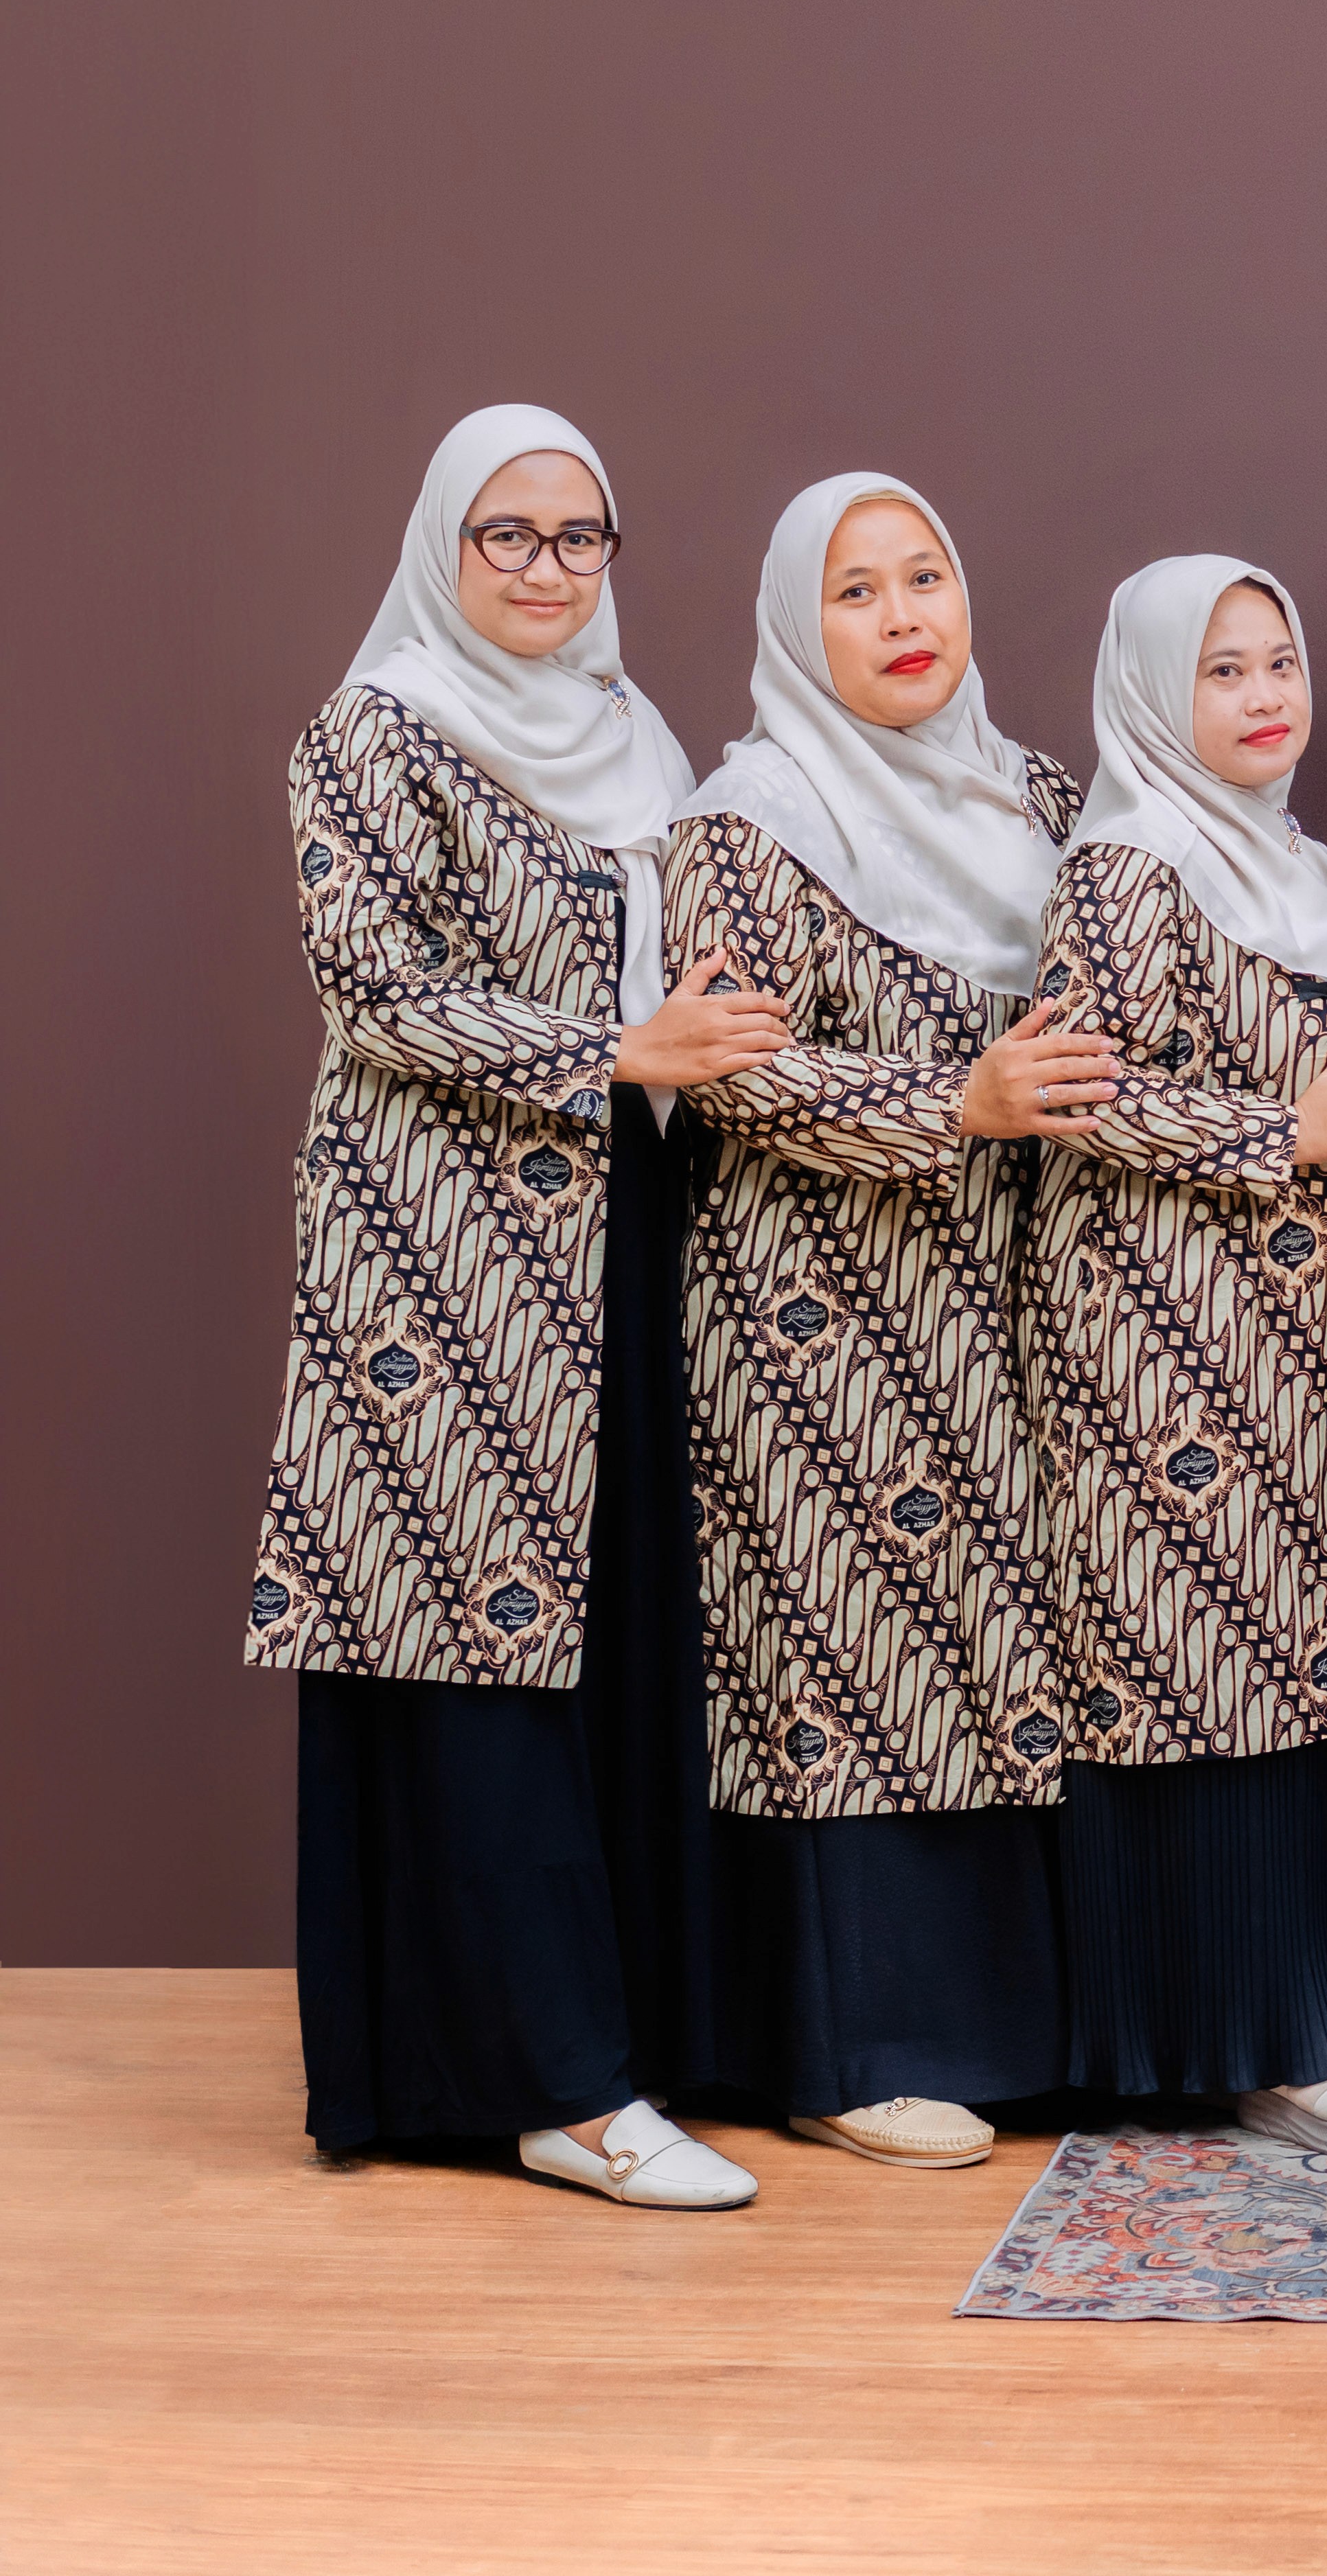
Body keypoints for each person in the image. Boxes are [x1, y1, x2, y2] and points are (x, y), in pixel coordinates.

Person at [257, 405, 773, 2207]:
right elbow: (377, 991)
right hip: (443, 1253)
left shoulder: (637, 738)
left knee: (608, 1629)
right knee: (473, 1654)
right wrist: (616, 1046)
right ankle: (552, 2087)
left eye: (581, 538)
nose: (549, 571)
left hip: (622, 1222)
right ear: (442, 549)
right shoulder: (376, 732)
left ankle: (620, 2045)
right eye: (509, 537)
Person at [661, 474, 1094, 2170]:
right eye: (858, 591)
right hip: (813, 1303)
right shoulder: (748, 821)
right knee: (847, 1653)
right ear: (795, 622)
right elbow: (742, 1073)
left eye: (929, 578)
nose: (907, 615)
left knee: (1006, 1650)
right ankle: (849, 2046)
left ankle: (1020, 2031)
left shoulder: (1036, 794)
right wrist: (958, 1102)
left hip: (1011, 1293)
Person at [1023, 556, 1327, 2155]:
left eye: (1282, 661)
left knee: (1278, 1665)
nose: (1268, 696)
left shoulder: (1293, 867)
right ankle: (1250, 2038)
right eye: (1224, 673)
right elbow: (1088, 1095)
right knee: (1198, 1672)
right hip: (1162, 1327)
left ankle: (1277, 2018)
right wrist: (1296, 1125)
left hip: (1284, 1322)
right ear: (1152, 695)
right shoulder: (1128, 865)